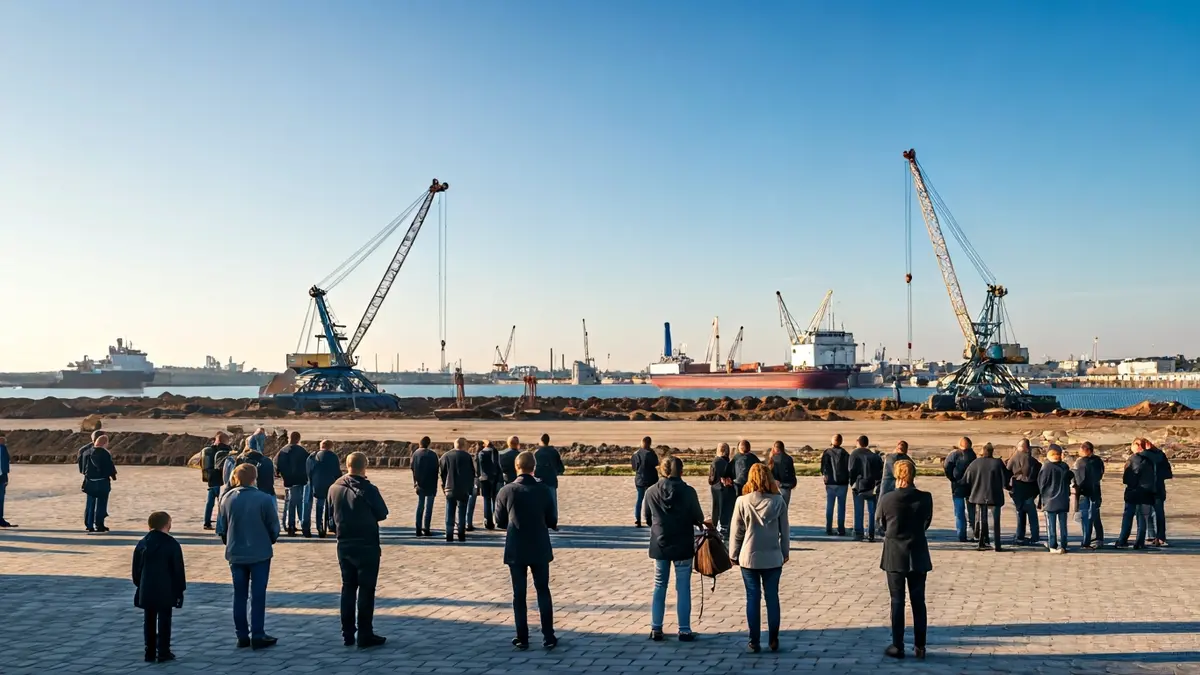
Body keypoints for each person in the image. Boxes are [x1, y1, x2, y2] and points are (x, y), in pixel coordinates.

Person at [495, 450, 558, 650]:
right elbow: (552, 520)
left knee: (518, 594)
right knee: (543, 591)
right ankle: (548, 635)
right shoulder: (543, 489)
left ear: (516, 467)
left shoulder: (506, 490)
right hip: (539, 545)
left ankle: (522, 636)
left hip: (516, 547)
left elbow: (500, 521)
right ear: (534, 467)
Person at [328, 451, 389, 649]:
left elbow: (329, 520)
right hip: (367, 545)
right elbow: (382, 513)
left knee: (348, 588)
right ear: (365, 466)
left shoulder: (334, 488)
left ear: (347, 465)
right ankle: (365, 633)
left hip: (344, 544)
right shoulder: (368, 488)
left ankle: (347, 633)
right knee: (366, 590)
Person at [216, 463, 280, 650]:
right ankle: (258, 634)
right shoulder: (264, 499)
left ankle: (242, 635)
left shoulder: (227, 498)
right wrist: (269, 540)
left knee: (239, 595)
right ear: (255, 477)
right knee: (258, 595)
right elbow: (273, 527)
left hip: (236, 553)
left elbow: (221, 527)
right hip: (259, 552)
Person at [642, 456, 705, 642]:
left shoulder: (651, 491)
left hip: (660, 543)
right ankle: (684, 629)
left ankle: (656, 628)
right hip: (683, 542)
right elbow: (698, 517)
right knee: (683, 586)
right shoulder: (688, 492)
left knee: (659, 585)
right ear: (681, 470)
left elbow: (646, 518)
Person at [730, 463, 789, 654]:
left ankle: (753, 640)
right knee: (772, 597)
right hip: (772, 556)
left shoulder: (742, 501)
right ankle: (773, 638)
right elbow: (785, 530)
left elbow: (736, 532)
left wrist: (733, 553)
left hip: (749, 556)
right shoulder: (779, 501)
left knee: (752, 598)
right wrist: (785, 551)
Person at [876, 460, 931, 660]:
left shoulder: (887, 499)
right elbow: (926, 522)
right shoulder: (925, 498)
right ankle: (920, 646)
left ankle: (898, 645)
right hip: (917, 552)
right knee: (918, 602)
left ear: (896, 475)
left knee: (897, 601)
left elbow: (880, 523)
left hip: (894, 554)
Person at [132, 511, 186, 663]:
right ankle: (163, 651)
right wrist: (179, 589)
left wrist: (140, 584)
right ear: (167, 525)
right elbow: (178, 570)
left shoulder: (142, 543)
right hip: (166, 589)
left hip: (146, 588)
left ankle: (149, 651)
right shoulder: (172, 544)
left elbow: (136, 569)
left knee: (148, 620)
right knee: (165, 620)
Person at [962, 443, 1006, 551]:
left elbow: (966, 479)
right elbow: (1005, 477)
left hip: (978, 495)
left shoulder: (976, 463)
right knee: (994, 521)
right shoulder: (998, 463)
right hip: (994, 495)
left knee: (981, 519)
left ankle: (982, 541)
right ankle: (996, 543)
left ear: (983, 451)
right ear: (992, 451)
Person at [1116, 441, 1155, 549]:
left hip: (1132, 492)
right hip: (1145, 493)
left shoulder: (1131, 460)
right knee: (1142, 518)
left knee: (1128, 517)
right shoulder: (1149, 461)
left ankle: (1122, 540)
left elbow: (1126, 479)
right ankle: (1139, 542)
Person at [1037, 445, 1074, 554]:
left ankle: (1053, 545)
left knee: (1051, 525)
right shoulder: (1064, 466)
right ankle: (1063, 544)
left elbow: (1041, 484)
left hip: (1050, 500)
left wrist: (1041, 498)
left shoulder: (1046, 467)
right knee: (1063, 525)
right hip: (1063, 499)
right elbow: (1069, 480)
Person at [848, 435, 884, 542]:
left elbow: (851, 470)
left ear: (858, 442)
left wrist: (852, 483)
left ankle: (858, 533)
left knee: (858, 509)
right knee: (872, 510)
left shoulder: (854, 454)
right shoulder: (874, 456)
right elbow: (880, 472)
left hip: (859, 486)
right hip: (872, 486)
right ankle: (871, 533)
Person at [439, 437, 476, 542]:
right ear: (463, 446)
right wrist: (470, 487)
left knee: (450, 511)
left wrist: (444, 485)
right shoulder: (467, 457)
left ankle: (449, 534)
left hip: (449, 487)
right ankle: (461, 534)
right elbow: (472, 473)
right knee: (462, 512)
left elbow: (442, 472)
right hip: (463, 488)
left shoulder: (446, 456)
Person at [943, 437, 978, 543]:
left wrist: (952, 479)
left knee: (959, 512)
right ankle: (973, 532)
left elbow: (947, 467)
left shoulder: (954, 454)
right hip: (970, 486)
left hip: (957, 486)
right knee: (971, 511)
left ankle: (961, 534)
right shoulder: (973, 455)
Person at [1139, 438, 1173, 547]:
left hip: (1146, 488)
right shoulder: (1161, 455)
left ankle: (1151, 534)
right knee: (1159, 513)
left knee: (1146, 512)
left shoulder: (1142, 456)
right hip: (1159, 487)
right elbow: (1168, 473)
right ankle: (1160, 536)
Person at [1006, 439, 1041, 546]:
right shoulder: (1033, 461)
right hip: (1029, 491)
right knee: (1032, 516)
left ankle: (1020, 535)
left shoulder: (1013, 458)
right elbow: (1038, 477)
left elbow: (1006, 472)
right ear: (1027, 448)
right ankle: (1035, 536)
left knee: (1020, 514)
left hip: (1017, 490)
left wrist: (1008, 487)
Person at [274, 432, 309, 537]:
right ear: (298, 439)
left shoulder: (282, 451)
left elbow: (276, 464)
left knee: (291, 503)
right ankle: (294, 525)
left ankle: (291, 525)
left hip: (288, 481)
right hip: (301, 481)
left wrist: (279, 474)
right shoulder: (302, 451)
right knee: (298, 503)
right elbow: (308, 464)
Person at [306, 440, 342, 538]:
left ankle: (319, 526)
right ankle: (331, 524)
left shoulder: (313, 456)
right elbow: (337, 472)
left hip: (317, 485)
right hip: (331, 484)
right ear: (331, 446)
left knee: (319, 505)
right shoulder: (333, 457)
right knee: (331, 506)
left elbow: (309, 472)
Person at [1073, 441, 1105, 548]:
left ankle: (1086, 540)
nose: (1079, 452)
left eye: (1081, 450)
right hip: (1095, 491)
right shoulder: (1098, 461)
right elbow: (1100, 474)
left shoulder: (1081, 462)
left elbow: (1078, 479)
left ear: (1087, 450)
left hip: (1084, 492)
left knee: (1085, 517)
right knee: (1095, 515)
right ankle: (1099, 537)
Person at [83, 434, 117, 533]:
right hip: (102, 482)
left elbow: (82, 466)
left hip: (90, 482)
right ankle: (99, 524)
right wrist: (113, 476)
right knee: (102, 504)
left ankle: (89, 525)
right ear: (105, 443)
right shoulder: (105, 453)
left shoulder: (87, 452)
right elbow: (109, 467)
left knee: (90, 504)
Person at [201, 432, 233, 531]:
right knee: (222, 503)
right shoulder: (227, 450)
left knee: (210, 502)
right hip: (222, 480)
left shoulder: (209, 450)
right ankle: (221, 523)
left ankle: (207, 522)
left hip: (211, 479)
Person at [820, 434, 850, 536]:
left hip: (830, 484)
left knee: (830, 506)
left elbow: (823, 468)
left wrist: (825, 477)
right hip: (843, 484)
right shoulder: (845, 453)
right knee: (841, 507)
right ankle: (841, 529)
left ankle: (828, 528)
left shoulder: (827, 453)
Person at [411, 436, 439, 537]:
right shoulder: (432, 454)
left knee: (420, 506)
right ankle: (426, 528)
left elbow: (412, 468)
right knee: (429, 507)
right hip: (431, 484)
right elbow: (436, 470)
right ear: (429, 444)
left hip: (419, 484)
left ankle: (418, 529)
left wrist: (415, 481)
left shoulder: (416, 454)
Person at [707, 443, 736, 541]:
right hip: (725, 491)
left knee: (717, 511)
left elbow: (711, 479)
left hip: (716, 489)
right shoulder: (727, 463)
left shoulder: (715, 462)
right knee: (725, 515)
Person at [533, 434, 565, 515]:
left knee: (540, 503)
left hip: (539, 481)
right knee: (553, 503)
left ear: (541, 441)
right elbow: (560, 468)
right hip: (551, 480)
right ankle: (553, 522)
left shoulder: (537, 453)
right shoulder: (554, 452)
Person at [631, 436, 660, 528]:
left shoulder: (636, 454)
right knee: (651, 500)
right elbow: (656, 463)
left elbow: (634, 467)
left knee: (639, 499)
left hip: (639, 479)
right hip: (651, 479)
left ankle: (637, 519)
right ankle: (649, 519)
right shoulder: (651, 453)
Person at [475, 439, 503, 530]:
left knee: (486, 500)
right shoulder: (494, 452)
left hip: (483, 479)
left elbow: (479, 469)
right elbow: (497, 465)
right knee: (495, 500)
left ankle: (488, 521)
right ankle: (496, 519)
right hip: (494, 479)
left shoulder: (480, 453)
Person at [767, 441, 797, 508]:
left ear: (775, 448)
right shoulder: (789, 458)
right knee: (784, 509)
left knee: (775, 509)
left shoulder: (772, 458)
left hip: (775, 486)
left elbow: (769, 473)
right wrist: (793, 484)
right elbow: (792, 473)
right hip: (786, 486)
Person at [0, 435, 13, 527]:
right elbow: (5, 463)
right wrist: (5, 476)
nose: (4, 440)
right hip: (1, 477)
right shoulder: (2, 448)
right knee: (0, 499)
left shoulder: (3, 448)